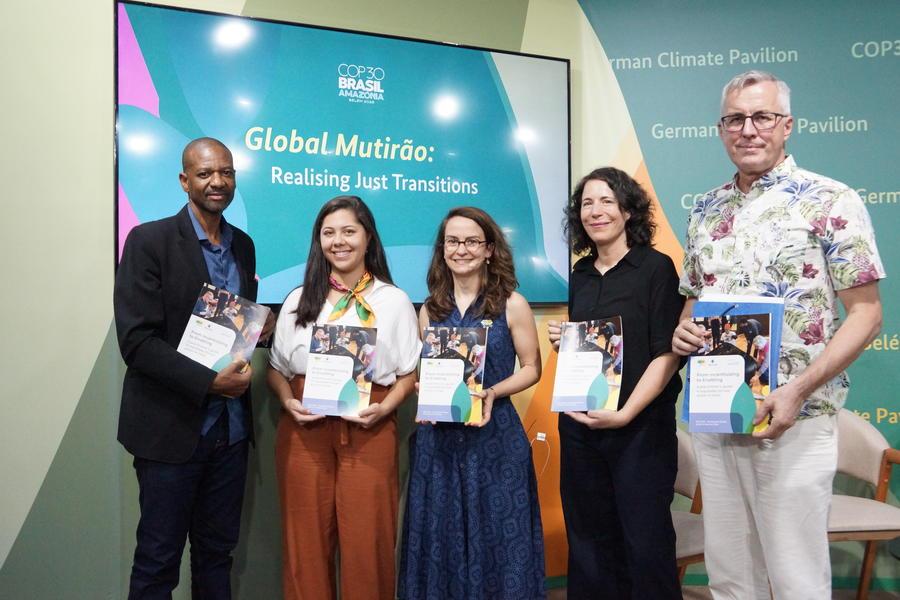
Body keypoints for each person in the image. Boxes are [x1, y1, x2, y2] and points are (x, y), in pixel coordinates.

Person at [672, 70, 884, 600]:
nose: (748, 129)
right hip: (718, 416)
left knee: (793, 575)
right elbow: (694, 299)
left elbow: (866, 314)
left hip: (796, 417)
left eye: (761, 117)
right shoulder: (705, 208)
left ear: (786, 125)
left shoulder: (832, 200)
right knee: (729, 571)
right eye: (735, 119)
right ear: (721, 129)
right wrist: (683, 330)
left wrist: (797, 390)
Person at [114, 137, 274, 599]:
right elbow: (137, 342)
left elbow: (234, 323)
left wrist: (259, 331)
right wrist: (210, 381)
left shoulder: (243, 245)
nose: (217, 182)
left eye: (225, 172)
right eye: (205, 174)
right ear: (185, 181)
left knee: (216, 556)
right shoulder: (148, 241)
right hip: (170, 432)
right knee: (157, 562)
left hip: (231, 434)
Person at [267, 195, 420, 600]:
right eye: (329, 233)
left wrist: (388, 407)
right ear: (318, 241)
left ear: (368, 237)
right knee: (305, 546)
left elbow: (409, 373)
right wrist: (287, 401)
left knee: (368, 545)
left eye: (349, 231)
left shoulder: (395, 301)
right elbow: (277, 371)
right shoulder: (298, 301)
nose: (339, 241)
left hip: (370, 428)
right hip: (304, 432)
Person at [548, 167, 684, 599]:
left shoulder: (657, 268)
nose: (595, 211)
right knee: (588, 542)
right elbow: (597, 353)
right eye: (587, 203)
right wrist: (564, 344)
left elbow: (668, 353)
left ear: (627, 210)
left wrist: (625, 413)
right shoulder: (581, 273)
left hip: (640, 430)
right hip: (581, 427)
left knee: (646, 545)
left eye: (607, 201)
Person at [399, 206, 545, 599]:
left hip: (495, 439)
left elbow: (533, 367)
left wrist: (495, 391)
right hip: (439, 445)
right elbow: (425, 370)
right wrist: (422, 389)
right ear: (442, 249)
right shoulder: (429, 310)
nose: (460, 249)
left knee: (500, 537)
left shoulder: (512, 304)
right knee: (441, 537)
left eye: (471, 241)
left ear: (489, 250)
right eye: (452, 241)